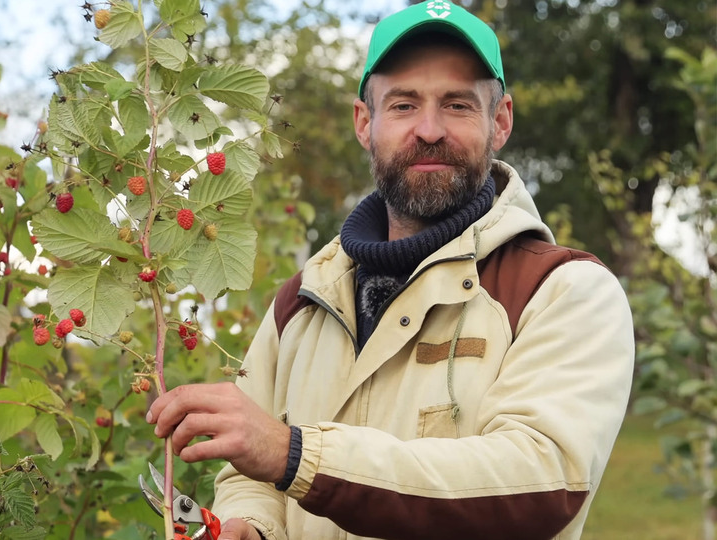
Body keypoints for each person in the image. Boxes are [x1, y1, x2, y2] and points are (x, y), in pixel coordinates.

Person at [145, 2, 635, 539]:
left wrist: (295, 455)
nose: (429, 129)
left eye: (457, 105)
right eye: (403, 105)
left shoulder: (562, 292)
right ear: (364, 122)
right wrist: (250, 525)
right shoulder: (300, 303)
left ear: (500, 121)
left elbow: (540, 481)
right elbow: (251, 474)